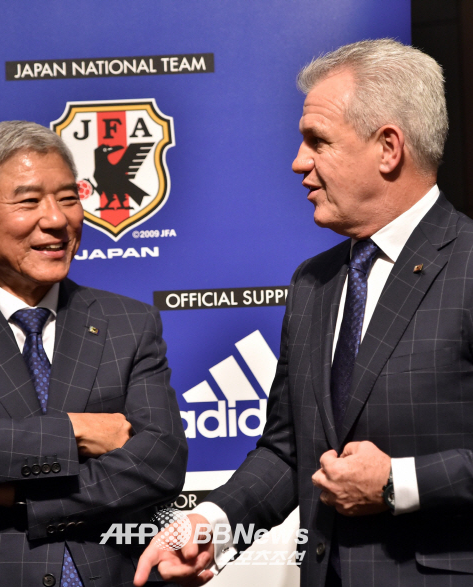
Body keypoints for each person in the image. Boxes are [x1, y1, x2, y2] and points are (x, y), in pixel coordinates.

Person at [134, 39, 473, 587]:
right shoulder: (314, 282)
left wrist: (398, 483)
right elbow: (290, 450)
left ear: (388, 148)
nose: (299, 162)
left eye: (319, 141)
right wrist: (211, 525)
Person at [0, 121, 188, 587]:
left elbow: (160, 461)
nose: (57, 220)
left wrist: (15, 496)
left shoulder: (129, 323)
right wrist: (75, 432)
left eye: (67, 197)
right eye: (29, 201)